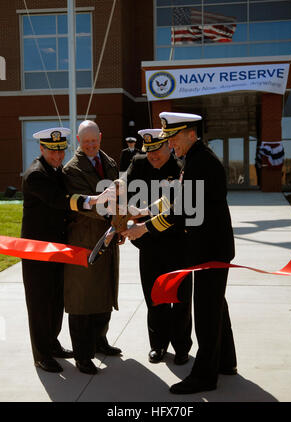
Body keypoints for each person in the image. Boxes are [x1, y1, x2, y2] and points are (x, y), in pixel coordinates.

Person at [122, 112, 237, 394]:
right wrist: (144, 211)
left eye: (173, 138)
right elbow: (175, 196)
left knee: (207, 313)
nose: (171, 145)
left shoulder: (200, 162)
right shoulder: (195, 158)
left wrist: (144, 228)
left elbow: (181, 209)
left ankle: (205, 377)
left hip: (210, 249)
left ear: (189, 133)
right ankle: (226, 361)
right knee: (216, 306)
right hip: (211, 247)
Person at [21, 127, 94, 373]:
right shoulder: (36, 175)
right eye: (52, 151)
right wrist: (89, 201)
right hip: (38, 252)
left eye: (61, 150)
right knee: (40, 303)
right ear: (41, 149)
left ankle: (52, 344)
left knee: (55, 300)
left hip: (56, 249)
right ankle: (41, 354)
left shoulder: (56, 171)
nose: (58, 156)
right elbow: (58, 200)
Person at [124, 128, 192, 365]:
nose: (153, 157)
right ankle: (158, 344)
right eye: (149, 152)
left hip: (177, 244)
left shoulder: (181, 167)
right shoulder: (139, 163)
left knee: (181, 299)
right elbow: (128, 194)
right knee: (154, 297)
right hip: (149, 245)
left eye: (157, 152)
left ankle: (182, 346)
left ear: (168, 146)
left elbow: (181, 208)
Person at [62, 120, 121, 375]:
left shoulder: (109, 162)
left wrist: (119, 225)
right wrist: (117, 219)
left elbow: (119, 195)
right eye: (85, 142)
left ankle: (100, 341)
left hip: (107, 236)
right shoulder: (71, 170)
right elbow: (91, 205)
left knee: (104, 292)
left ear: (100, 137)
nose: (90, 145)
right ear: (78, 140)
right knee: (81, 300)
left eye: (94, 140)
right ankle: (83, 356)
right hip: (83, 240)